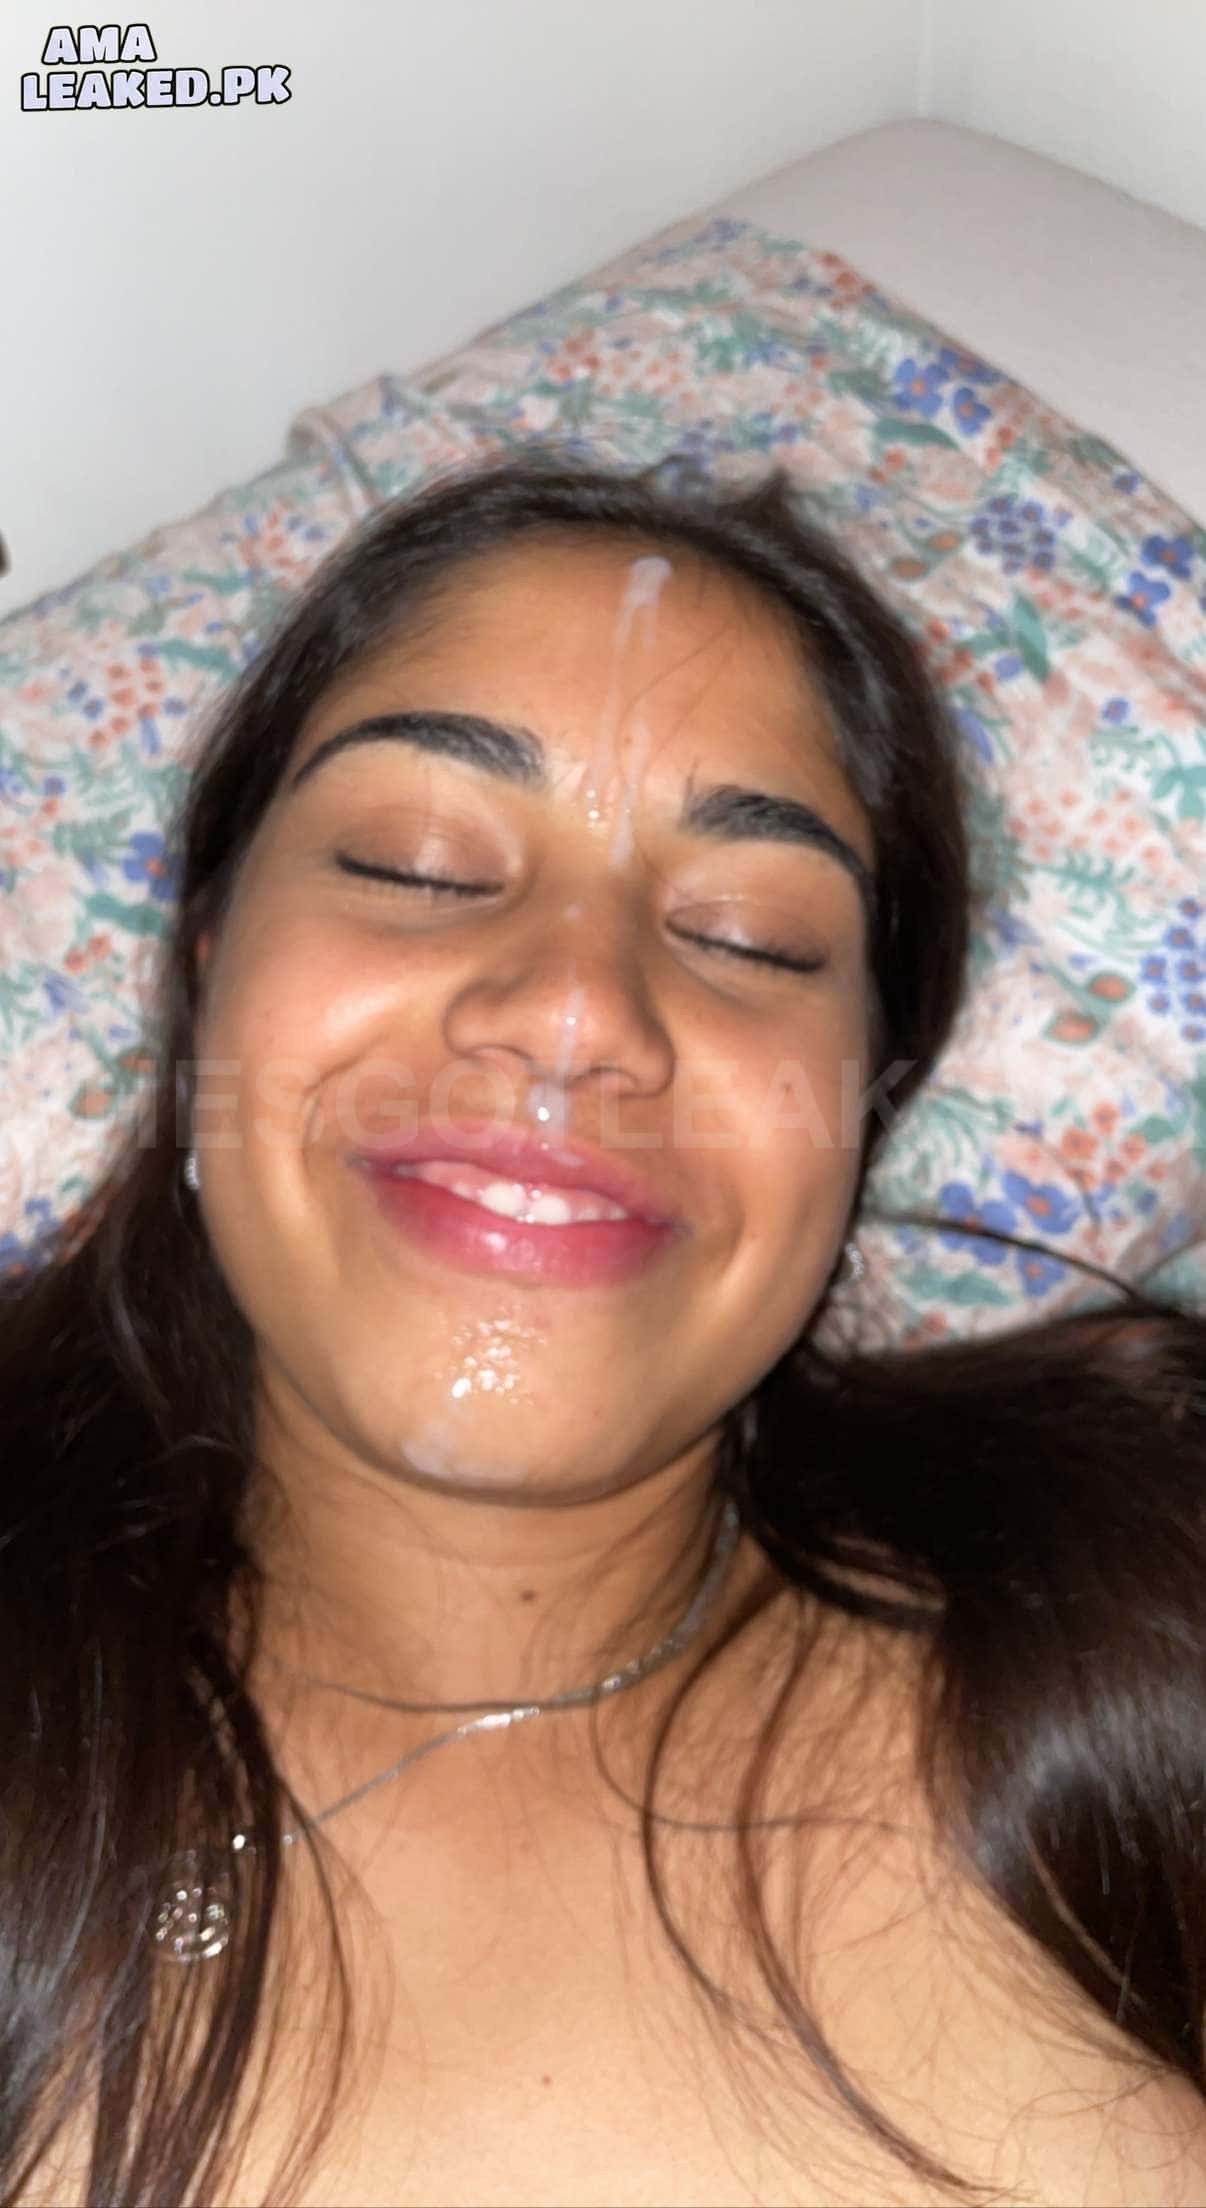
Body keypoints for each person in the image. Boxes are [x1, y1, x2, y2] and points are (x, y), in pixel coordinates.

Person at [1, 449, 1203, 2208]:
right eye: (414, 863)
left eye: (750, 937)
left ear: (860, 1111)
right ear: (201, 986)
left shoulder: (1151, 1596)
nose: (574, 1008)